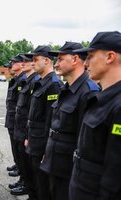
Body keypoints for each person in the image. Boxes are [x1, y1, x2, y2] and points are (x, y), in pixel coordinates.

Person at [38, 42, 99, 200]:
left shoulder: (88, 92)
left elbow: (84, 139)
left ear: (75, 59)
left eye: (61, 59)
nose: (56, 64)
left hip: (69, 170)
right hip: (56, 164)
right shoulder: (67, 89)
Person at [69, 31, 121, 200]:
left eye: (90, 56)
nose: (85, 63)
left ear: (110, 57)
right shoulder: (101, 98)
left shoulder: (118, 105)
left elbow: (114, 178)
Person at [25, 45, 63, 200]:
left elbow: (51, 120)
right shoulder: (41, 82)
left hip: (42, 145)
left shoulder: (54, 84)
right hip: (34, 140)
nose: (33, 63)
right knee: (35, 181)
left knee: (43, 187)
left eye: (36, 59)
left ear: (47, 60)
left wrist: (47, 150)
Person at [11, 55, 40, 199]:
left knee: (29, 165)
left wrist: (27, 134)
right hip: (20, 126)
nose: (25, 63)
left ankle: (28, 187)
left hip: (27, 130)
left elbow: (33, 111)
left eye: (27, 61)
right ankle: (25, 183)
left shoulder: (35, 81)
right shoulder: (28, 81)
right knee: (22, 160)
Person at [4, 54, 27, 179]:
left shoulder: (23, 80)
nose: (10, 67)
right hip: (12, 118)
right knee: (14, 146)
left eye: (13, 63)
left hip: (17, 120)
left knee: (19, 148)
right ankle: (17, 164)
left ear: (21, 64)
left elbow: (21, 103)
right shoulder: (15, 79)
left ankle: (20, 168)